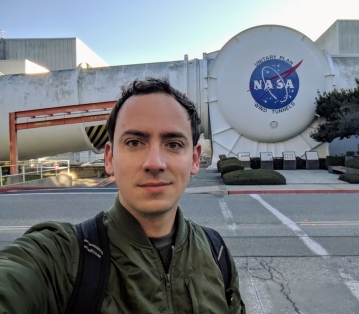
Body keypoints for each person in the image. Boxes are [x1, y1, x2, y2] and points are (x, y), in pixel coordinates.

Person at [0, 78, 245, 313]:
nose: (154, 163)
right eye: (135, 142)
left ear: (194, 159)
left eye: (173, 144)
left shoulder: (217, 253)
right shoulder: (60, 257)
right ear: (109, 158)